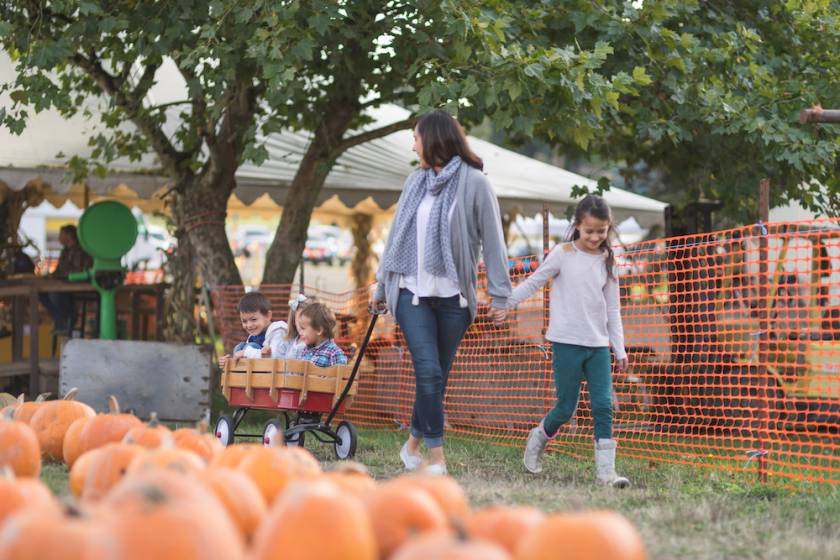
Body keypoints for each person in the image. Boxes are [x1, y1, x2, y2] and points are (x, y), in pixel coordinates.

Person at [373, 110, 511, 476]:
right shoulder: (414, 182)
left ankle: (412, 443)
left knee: (436, 377)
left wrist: (500, 295)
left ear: (432, 139)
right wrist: (380, 283)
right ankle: (437, 459)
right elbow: (396, 237)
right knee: (429, 371)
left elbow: (493, 240)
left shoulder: (474, 183)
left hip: (454, 298)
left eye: (416, 136)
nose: (413, 143)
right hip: (409, 292)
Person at [508, 194, 630, 488]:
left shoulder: (608, 260)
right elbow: (536, 281)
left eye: (601, 231)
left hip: (598, 346)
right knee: (565, 407)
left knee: (602, 405)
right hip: (566, 343)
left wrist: (619, 348)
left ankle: (606, 474)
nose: (595, 237)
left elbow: (612, 309)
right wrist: (508, 302)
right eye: (589, 231)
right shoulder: (563, 254)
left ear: (608, 228)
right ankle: (538, 438)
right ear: (577, 226)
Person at [39, 224, 93, 332]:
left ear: (69, 235)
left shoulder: (81, 250)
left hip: (78, 284)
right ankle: (62, 318)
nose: (59, 238)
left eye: (61, 235)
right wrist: (49, 276)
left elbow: (80, 270)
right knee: (40, 292)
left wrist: (62, 275)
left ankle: (66, 319)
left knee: (55, 293)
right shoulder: (65, 251)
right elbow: (59, 270)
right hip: (64, 283)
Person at [218, 292, 288, 369]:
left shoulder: (279, 331)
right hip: (258, 375)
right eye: (244, 321)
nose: (249, 325)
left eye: (254, 319)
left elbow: (275, 356)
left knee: (250, 347)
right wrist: (229, 361)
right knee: (239, 347)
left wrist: (245, 352)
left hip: (276, 376)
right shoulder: (253, 337)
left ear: (268, 316)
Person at [295, 302, 347, 367]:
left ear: (319, 330)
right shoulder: (304, 350)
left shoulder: (334, 353)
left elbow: (341, 375)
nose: (300, 332)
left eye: (303, 328)